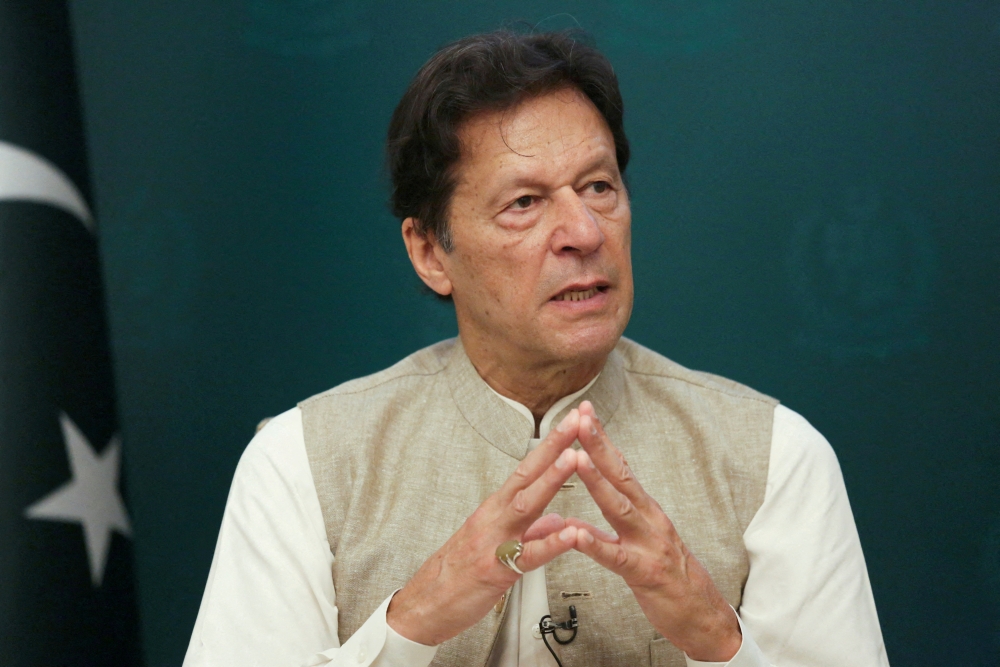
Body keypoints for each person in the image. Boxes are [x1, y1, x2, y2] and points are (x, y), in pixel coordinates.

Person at [184, 30, 888, 667]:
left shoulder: (775, 458)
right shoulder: (301, 464)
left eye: (599, 186)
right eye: (524, 202)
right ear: (430, 250)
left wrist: (717, 639)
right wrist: (412, 621)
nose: (583, 230)